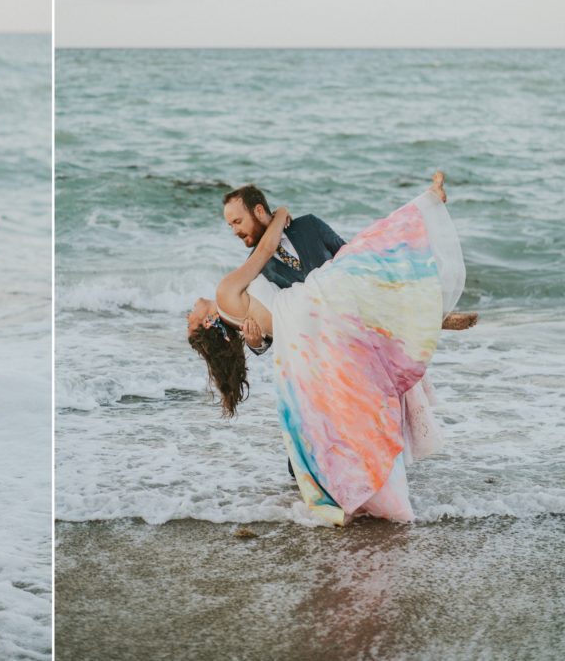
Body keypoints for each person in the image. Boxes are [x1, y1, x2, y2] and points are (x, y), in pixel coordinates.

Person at [189, 173, 467, 525]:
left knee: (344, 410)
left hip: (306, 332)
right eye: (190, 317)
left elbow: (261, 321)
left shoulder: (245, 290)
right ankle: (424, 211)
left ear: (257, 211)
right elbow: (263, 257)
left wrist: (255, 339)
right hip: (306, 316)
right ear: (205, 324)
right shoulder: (225, 291)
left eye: (236, 221)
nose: (233, 231)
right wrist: (281, 212)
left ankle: (360, 486)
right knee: (373, 252)